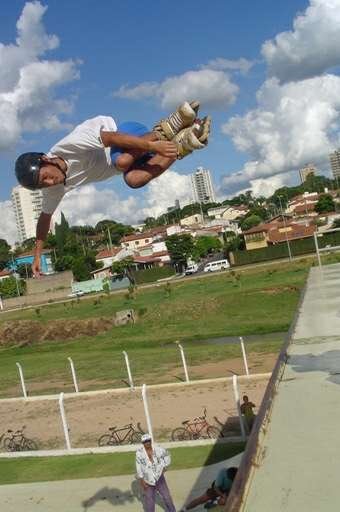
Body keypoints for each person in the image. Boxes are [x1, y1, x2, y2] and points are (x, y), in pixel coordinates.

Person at [14, 101, 211, 277]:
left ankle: (167, 128)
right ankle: (183, 145)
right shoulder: (53, 189)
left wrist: (154, 144)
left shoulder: (68, 147)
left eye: (46, 177)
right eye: (43, 185)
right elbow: (44, 218)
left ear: (46, 160)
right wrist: (37, 256)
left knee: (123, 161)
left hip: (126, 135)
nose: (50, 183)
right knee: (133, 180)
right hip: (133, 158)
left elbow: (110, 139)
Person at [135, 433, 176, 512]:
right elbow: (138, 466)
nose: (147, 443)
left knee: (166, 497)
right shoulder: (139, 453)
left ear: (151, 441)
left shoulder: (158, 448)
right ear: (142, 443)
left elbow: (167, 455)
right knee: (149, 500)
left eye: (148, 440)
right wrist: (141, 480)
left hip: (159, 478)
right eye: (145, 441)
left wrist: (165, 467)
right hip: (148, 480)